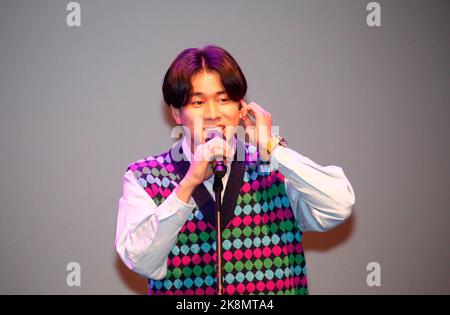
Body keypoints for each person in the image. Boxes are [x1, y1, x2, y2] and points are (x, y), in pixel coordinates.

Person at [115, 45, 355, 295]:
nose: (213, 114)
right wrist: (188, 184)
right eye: (198, 102)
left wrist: (273, 147)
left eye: (224, 100)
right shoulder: (145, 178)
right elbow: (141, 261)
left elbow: (338, 206)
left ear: (241, 108)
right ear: (177, 112)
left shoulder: (273, 169)